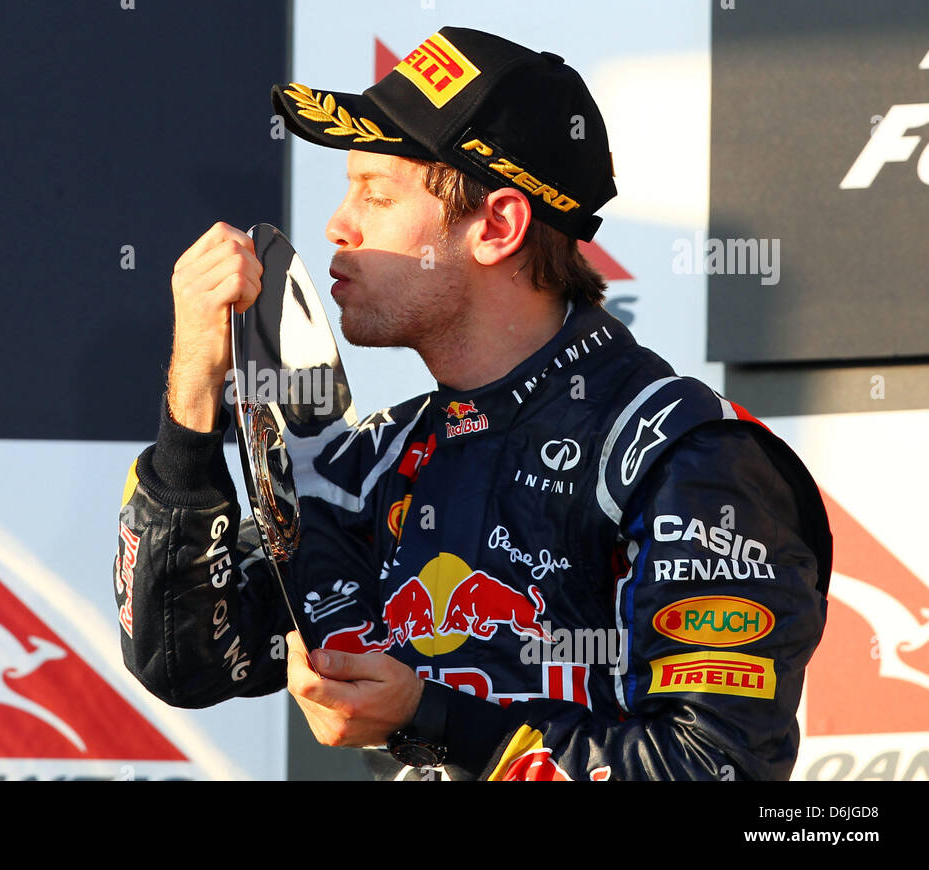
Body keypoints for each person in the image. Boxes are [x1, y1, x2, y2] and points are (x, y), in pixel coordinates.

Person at [113, 26, 831, 780]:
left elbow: (718, 768)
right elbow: (185, 659)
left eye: (376, 195)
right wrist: (195, 391)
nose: (338, 225)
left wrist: (431, 718)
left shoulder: (686, 459)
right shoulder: (381, 461)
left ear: (497, 227)